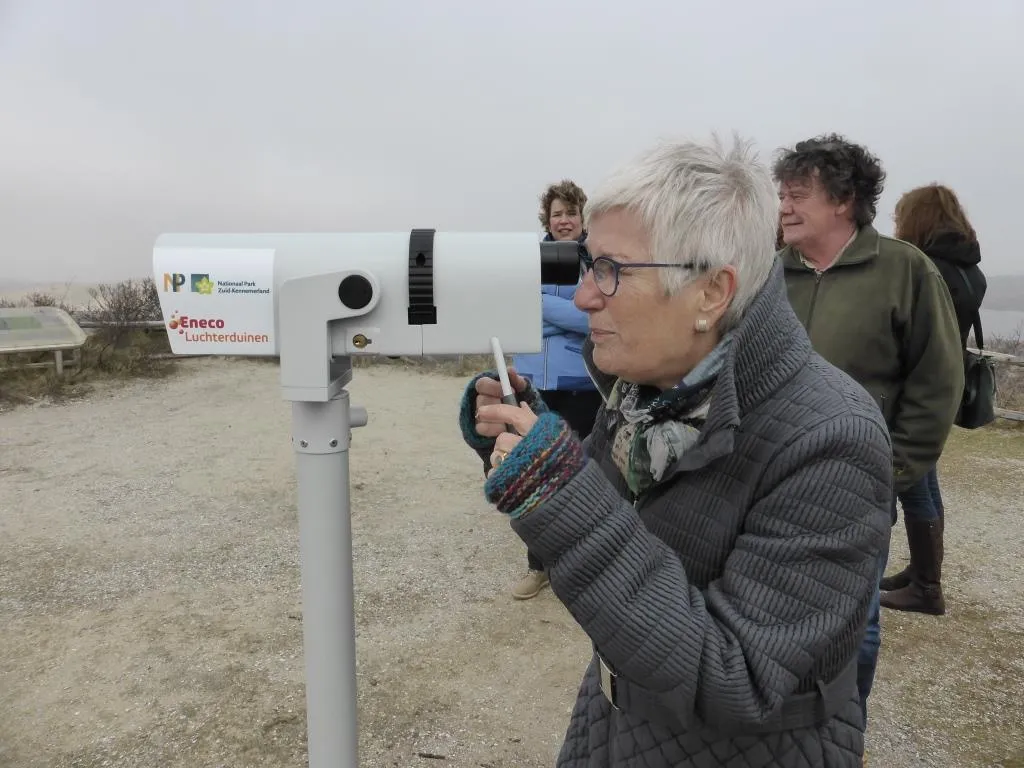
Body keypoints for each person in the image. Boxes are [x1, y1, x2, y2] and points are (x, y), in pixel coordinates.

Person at [459, 135, 893, 766]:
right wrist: (528, 433)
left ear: (712, 293)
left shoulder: (831, 441)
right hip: (615, 726)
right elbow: (616, 523)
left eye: (611, 270)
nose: (583, 297)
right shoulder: (652, 396)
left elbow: (737, 678)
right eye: (587, 265)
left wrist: (557, 488)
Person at [773, 134, 964, 726]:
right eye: (781, 194)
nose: (782, 206)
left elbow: (936, 382)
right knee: (775, 613)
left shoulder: (906, 269)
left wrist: (890, 473)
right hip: (770, 485)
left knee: (856, 624)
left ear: (844, 200)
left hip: (859, 487)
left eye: (797, 194)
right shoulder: (768, 275)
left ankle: (840, 736)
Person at [879, 183, 988, 615]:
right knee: (928, 480)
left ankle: (927, 586)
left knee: (914, 485)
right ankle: (922, 570)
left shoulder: (927, 267)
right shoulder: (969, 269)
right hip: (943, 384)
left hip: (914, 388)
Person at [509, 180, 603, 600]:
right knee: (536, 473)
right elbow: (513, 310)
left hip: (584, 384)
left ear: (583, 217)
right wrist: (564, 313)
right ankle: (539, 565)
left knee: (583, 474)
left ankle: (585, 562)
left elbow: (592, 318)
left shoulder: (596, 259)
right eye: (556, 214)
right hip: (536, 384)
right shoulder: (528, 259)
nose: (563, 221)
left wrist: (542, 306)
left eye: (571, 213)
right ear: (547, 219)